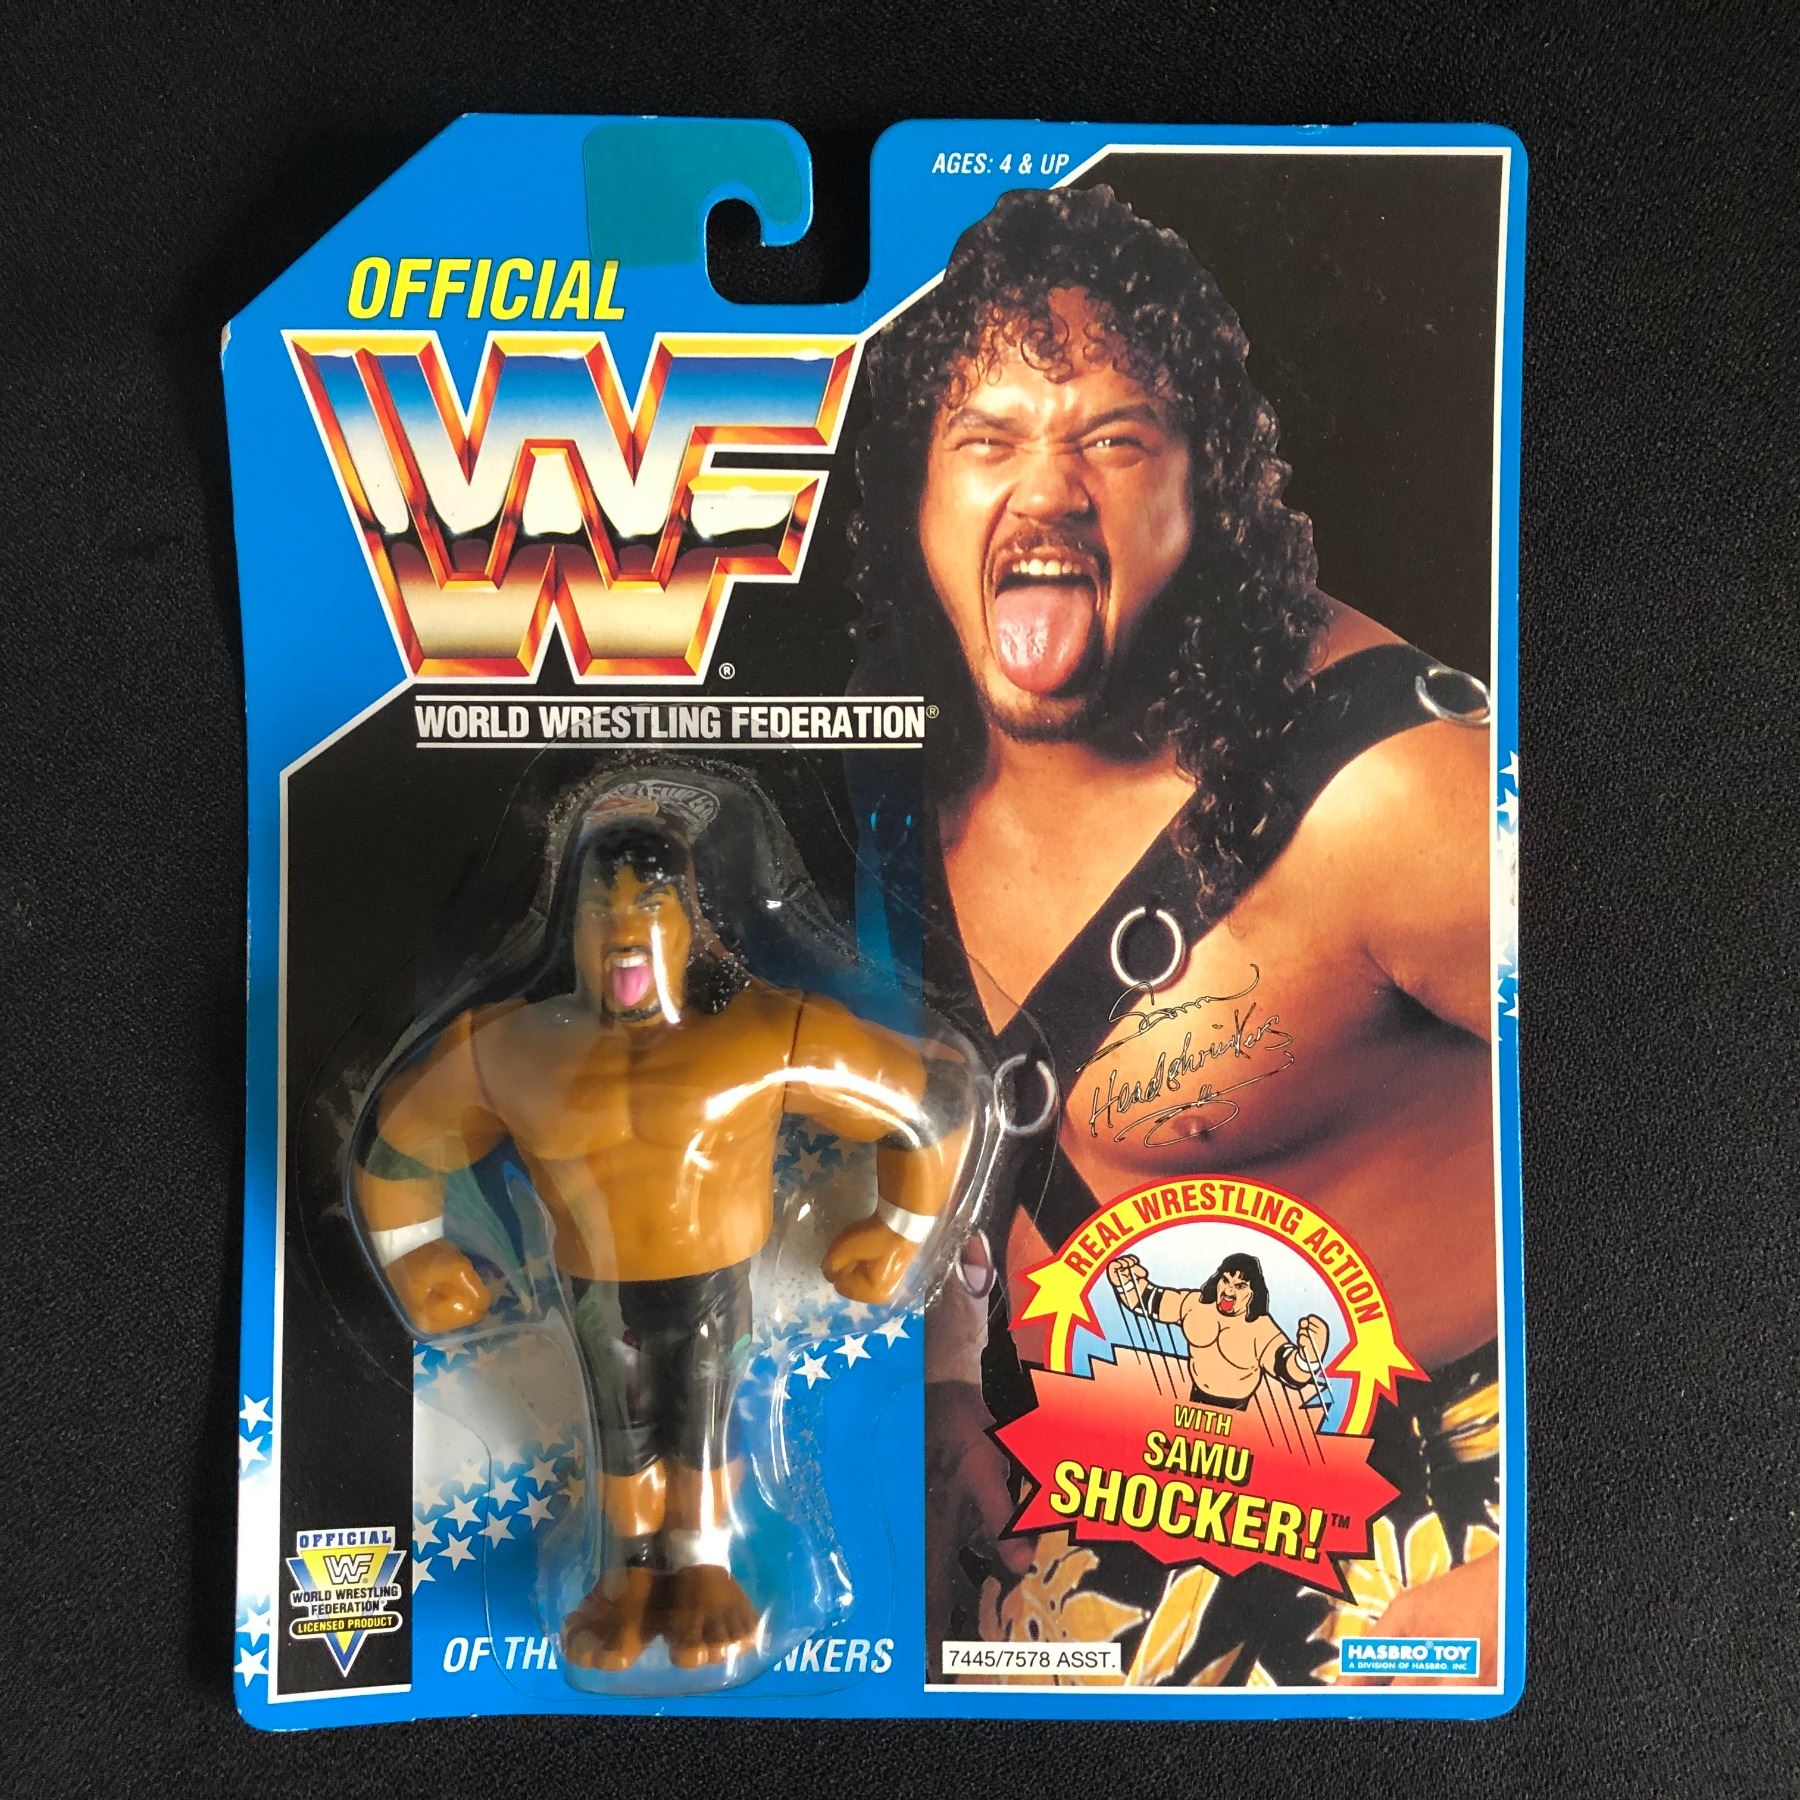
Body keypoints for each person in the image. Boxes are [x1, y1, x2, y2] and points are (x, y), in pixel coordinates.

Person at [853, 183, 1500, 1684]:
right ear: (920, 498)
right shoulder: (896, 796)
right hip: (1059, 1554)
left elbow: (1713, 1121)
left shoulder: (1400, 791)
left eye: (1114, 440)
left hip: (1398, 1565)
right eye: (988, 439)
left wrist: (1552, 1549)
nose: (1047, 491)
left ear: (1209, 489)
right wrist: (950, 1389)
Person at [350, 805, 972, 1673]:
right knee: (622, 1431)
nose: (623, 933)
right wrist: (415, 1253)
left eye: (649, 907)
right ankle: (629, 1578)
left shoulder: (761, 1035)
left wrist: (901, 1231)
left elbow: (928, 1104)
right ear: (572, 931)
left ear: (693, 925)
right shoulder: (513, 1049)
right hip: (596, 1289)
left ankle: (706, 1570)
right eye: (600, 912)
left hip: (713, 1283)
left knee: (700, 1424)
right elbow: (397, 1144)